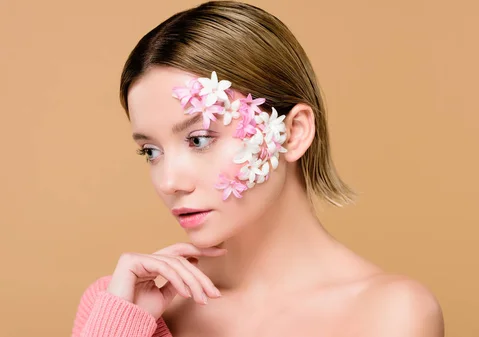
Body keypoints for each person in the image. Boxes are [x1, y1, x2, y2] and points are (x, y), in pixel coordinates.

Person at [71, 1, 444, 336]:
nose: (169, 181)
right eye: (150, 152)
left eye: (199, 139)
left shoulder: (389, 316)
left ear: (293, 132)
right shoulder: (120, 304)